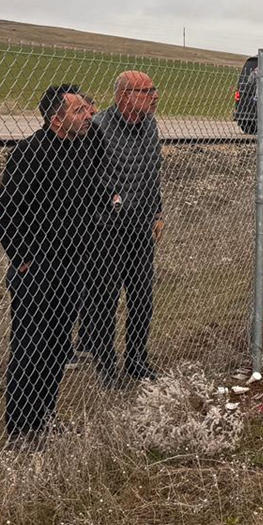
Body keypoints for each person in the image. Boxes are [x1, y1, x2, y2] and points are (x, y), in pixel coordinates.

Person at [0, 86, 109, 448]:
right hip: (37, 267)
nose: (88, 116)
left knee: (58, 346)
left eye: (87, 111)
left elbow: (100, 193)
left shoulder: (87, 146)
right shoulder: (31, 152)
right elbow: (3, 211)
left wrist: (96, 228)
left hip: (75, 264)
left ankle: (44, 417)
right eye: (78, 112)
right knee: (31, 346)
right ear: (56, 119)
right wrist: (23, 258)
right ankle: (20, 429)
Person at [81, 71, 164, 386]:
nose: (154, 97)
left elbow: (152, 173)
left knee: (142, 296)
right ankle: (106, 365)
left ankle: (137, 360)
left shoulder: (149, 126)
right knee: (105, 298)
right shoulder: (99, 128)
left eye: (154, 91)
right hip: (106, 230)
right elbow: (87, 179)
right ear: (124, 96)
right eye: (146, 91)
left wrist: (158, 212)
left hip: (141, 228)